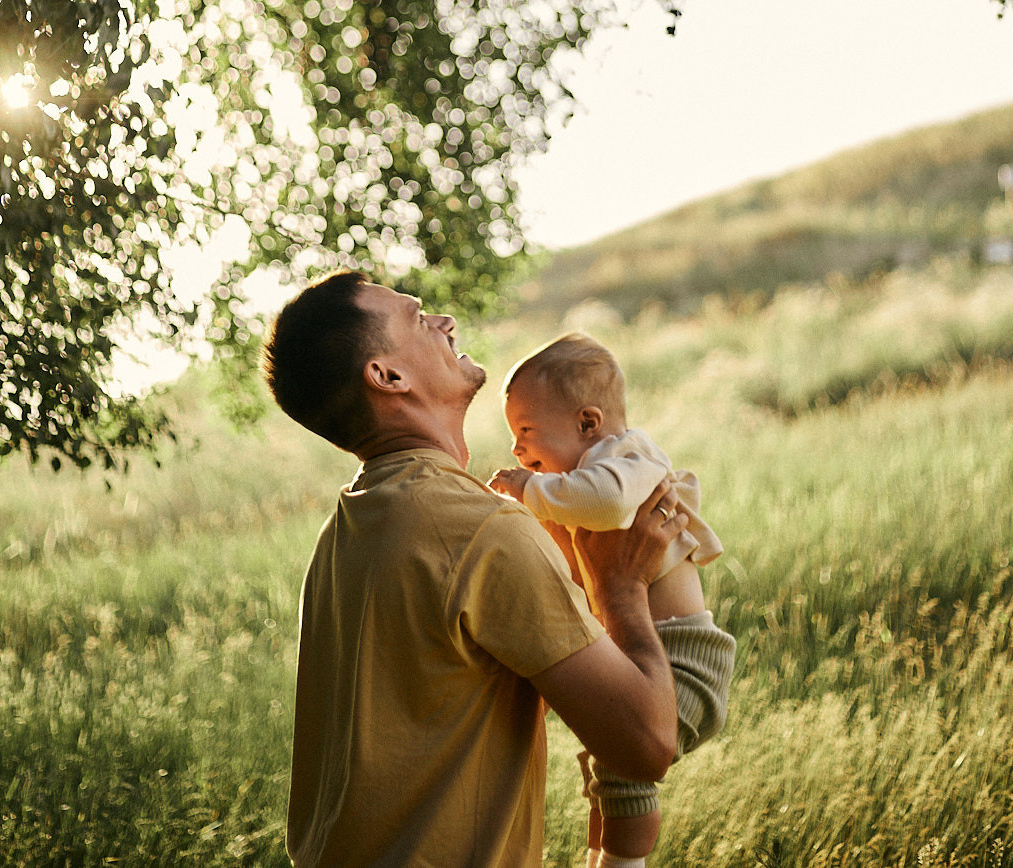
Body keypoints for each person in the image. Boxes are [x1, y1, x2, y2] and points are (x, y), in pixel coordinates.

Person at [261, 270, 690, 868]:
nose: (444, 322)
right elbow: (646, 745)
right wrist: (621, 588)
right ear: (388, 377)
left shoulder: (345, 532)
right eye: (417, 319)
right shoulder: (480, 530)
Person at [488, 332, 736, 868]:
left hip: (683, 662)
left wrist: (529, 492)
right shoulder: (596, 467)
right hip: (651, 653)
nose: (517, 448)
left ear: (587, 424)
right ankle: (600, 854)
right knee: (604, 764)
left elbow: (600, 504)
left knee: (624, 767)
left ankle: (624, 863)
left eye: (527, 431)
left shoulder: (626, 460)